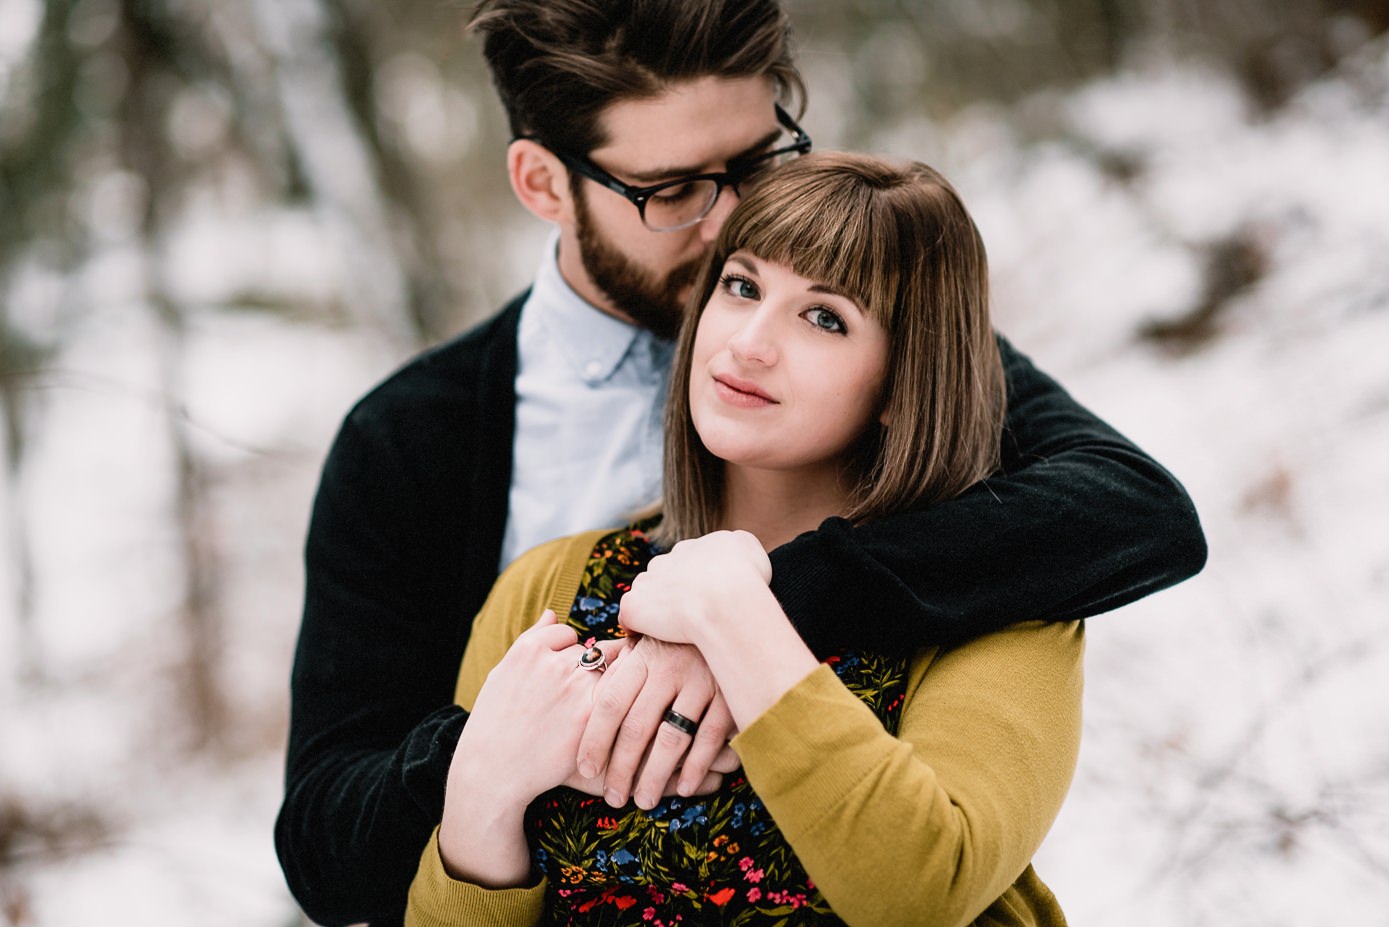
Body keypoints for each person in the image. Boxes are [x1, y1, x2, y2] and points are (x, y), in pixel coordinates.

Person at [275, 2, 1206, 924]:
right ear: (543, 184)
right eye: (673, 188)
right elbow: (327, 845)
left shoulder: (877, 345)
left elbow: (1133, 509)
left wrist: (754, 609)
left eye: (757, 164)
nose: (731, 219)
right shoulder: (412, 444)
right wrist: (494, 753)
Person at [405, 152, 1086, 926]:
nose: (750, 342)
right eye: (742, 285)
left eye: (825, 317)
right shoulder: (550, 587)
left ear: (904, 382)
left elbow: (922, 891)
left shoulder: (996, 597)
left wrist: (735, 617)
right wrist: (480, 799)